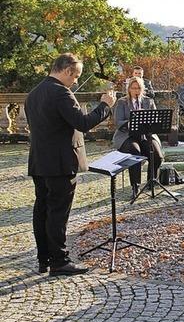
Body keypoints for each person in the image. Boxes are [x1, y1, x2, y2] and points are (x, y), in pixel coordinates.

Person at [25, 53, 116, 276]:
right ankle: (59, 261)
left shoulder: (33, 94)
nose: (75, 81)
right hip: (60, 163)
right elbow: (82, 123)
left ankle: (43, 258)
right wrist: (105, 106)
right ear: (66, 71)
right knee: (57, 213)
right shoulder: (60, 93)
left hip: (39, 161)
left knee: (42, 210)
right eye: (75, 76)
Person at [112, 76, 164, 199]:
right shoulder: (122, 102)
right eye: (133, 88)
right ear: (129, 89)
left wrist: (147, 119)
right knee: (135, 152)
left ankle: (151, 182)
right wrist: (130, 122)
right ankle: (135, 187)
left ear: (143, 89)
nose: (136, 91)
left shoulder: (148, 101)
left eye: (139, 88)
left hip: (145, 134)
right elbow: (118, 122)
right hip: (127, 136)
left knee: (157, 156)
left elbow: (155, 120)